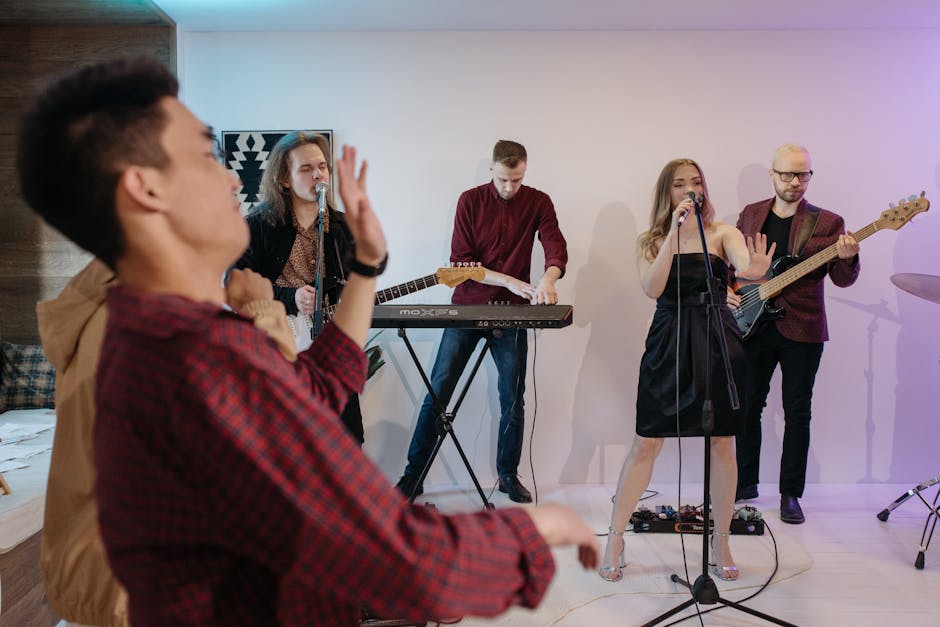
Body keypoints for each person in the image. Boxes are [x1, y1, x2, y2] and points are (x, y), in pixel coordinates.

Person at [17, 57, 599, 626]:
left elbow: (312, 391)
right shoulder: (172, 350)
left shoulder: (152, 317)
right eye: (205, 156)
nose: (230, 177)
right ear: (144, 189)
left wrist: (364, 269)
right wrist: (532, 532)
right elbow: (379, 544)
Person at [35, 260, 297, 627]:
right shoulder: (153, 314)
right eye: (222, 197)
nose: (237, 201)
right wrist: (262, 312)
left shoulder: (121, 298)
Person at [599, 158, 773, 583]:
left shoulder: (722, 233)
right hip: (669, 341)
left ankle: (721, 541)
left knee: (723, 445)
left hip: (716, 340)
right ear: (667, 193)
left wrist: (754, 269)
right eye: (680, 184)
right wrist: (673, 237)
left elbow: (743, 264)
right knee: (646, 444)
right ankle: (615, 538)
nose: (690, 190)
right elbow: (652, 288)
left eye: (696, 182)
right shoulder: (651, 240)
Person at [395, 140, 568, 503]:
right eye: (504, 179)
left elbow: (555, 246)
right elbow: (461, 261)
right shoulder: (469, 201)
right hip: (468, 308)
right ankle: (413, 476)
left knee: (512, 398)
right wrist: (509, 280)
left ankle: (507, 475)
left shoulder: (538, 201)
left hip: (510, 313)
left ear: (525, 171)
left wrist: (549, 280)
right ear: (491, 170)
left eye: (517, 180)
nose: (510, 188)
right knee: (438, 390)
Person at [730, 144, 860, 524]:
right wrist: (729, 290)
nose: (795, 182)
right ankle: (744, 482)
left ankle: (790, 494)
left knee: (797, 412)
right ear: (772, 174)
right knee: (747, 408)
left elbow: (841, 278)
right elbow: (732, 262)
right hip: (753, 322)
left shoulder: (828, 222)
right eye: (787, 174)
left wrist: (848, 258)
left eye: (803, 174)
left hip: (802, 328)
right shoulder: (751, 214)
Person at [234, 130, 366, 443]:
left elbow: (353, 289)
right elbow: (235, 284)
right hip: (276, 345)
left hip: (328, 350)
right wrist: (290, 297)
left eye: (322, 167)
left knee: (347, 441)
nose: (318, 174)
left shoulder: (344, 228)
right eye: (306, 169)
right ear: (284, 179)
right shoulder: (260, 224)